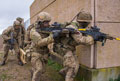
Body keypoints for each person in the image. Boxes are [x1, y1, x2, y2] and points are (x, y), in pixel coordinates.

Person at [53, 11, 94, 81]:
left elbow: (83, 33)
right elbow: (81, 40)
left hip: (70, 48)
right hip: (63, 48)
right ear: (83, 22)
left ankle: (62, 72)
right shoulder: (72, 28)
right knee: (72, 67)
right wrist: (92, 38)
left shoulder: (79, 27)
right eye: (87, 23)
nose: (88, 24)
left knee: (76, 66)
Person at [29, 12, 59, 81]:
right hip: (35, 53)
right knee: (39, 70)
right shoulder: (33, 32)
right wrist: (52, 37)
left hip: (44, 53)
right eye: (46, 22)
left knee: (42, 70)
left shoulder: (46, 28)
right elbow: (39, 43)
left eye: (48, 22)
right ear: (40, 22)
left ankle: (33, 71)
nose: (48, 24)